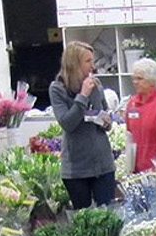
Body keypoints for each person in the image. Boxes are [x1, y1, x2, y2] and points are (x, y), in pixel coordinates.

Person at [49, 41, 115, 209]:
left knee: (108, 216)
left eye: (92, 61)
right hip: (77, 169)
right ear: (74, 63)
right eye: (88, 61)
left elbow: (105, 114)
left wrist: (106, 122)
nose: (92, 66)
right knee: (84, 219)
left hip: (103, 164)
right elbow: (67, 123)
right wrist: (83, 95)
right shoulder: (57, 89)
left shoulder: (97, 85)